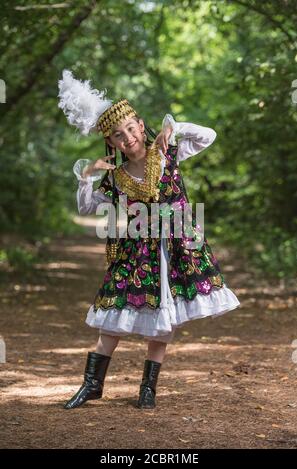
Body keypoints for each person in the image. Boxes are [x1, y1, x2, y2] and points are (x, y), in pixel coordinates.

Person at [58, 70, 240, 410]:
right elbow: (87, 205)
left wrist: (175, 127)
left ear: (141, 126)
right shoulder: (116, 178)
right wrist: (87, 176)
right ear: (111, 142)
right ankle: (92, 384)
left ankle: (148, 389)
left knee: (164, 320)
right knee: (113, 315)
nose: (127, 137)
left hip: (178, 247)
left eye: (131, 128)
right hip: (136, 250)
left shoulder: (167, 152)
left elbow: (209, 136)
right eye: (117, 135)